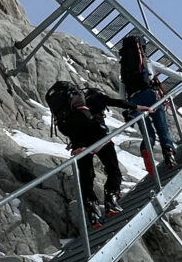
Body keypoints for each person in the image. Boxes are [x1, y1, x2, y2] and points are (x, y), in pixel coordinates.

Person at [45, 80, 129, 215]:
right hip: (97, 135)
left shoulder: (70, 107)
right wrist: (136, 106)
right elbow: (116, 102)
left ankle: (92, 209)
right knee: (113, 170)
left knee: (86, 175)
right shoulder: (95, 98)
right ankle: (111, 199)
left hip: (77, 139)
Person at [118, 32, 178, 178]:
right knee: (161, 125)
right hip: (150, 95)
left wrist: (127, 108)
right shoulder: (147, 62)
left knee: (147, 132)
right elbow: (175, 75)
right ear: (142, 48)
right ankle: (168, 152)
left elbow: (121, 93)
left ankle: (147, 150)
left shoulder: (124, 68)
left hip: (134, 101)